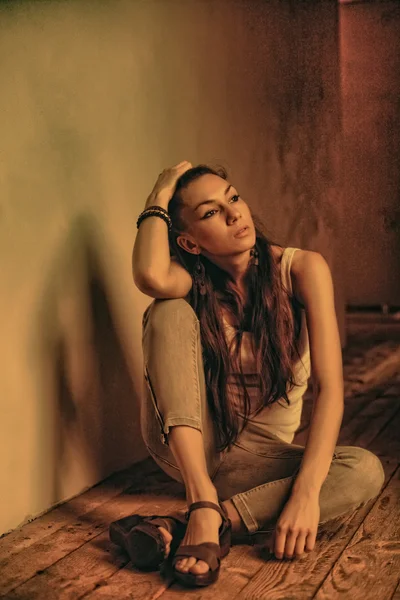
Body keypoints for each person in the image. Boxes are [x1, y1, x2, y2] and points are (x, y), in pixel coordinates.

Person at [109, 160, 385, 588]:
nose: (235, 213)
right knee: (166, 311)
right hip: (188, 447)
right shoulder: (190, 281)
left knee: (364, 469)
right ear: (191, 242)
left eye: (233, 198)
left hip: (258, 459)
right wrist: (158, 197)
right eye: (210, 212)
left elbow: (330, 389)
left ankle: (187, 526)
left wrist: (307, 495)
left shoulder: (301, 270)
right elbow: (149, 275)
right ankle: (201, 499)